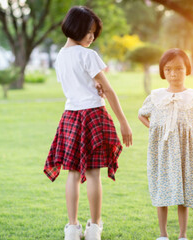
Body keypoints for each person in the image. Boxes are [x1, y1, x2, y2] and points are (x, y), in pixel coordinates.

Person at [43, 6, 132, 240]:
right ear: (76, 27)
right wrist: (123, 122)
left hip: (71, 117)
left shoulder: (60, 58)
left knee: (72, 174)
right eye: (89, 31)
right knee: (93, 174)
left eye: (94, 32)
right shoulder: (88, 55)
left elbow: (77, 85)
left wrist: (94, 87)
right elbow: (109, 91)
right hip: (93, 115)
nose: (92, 37)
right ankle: (94, 227)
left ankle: (72, 228)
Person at [138, 48, 193, 240]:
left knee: (183, 191)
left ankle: (182, 235)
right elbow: (141, 114)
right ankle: (163, 234)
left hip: (185, 152)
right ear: (163, 71)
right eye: (169, 69)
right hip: (161, 151)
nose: (174, 73)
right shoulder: (156, 96)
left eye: (179, 69)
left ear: (187, 69)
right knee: (162, 189)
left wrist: (186, 133)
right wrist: (156, 130)